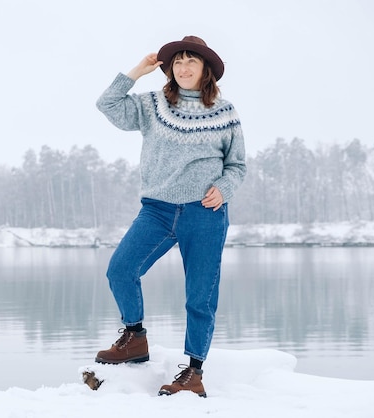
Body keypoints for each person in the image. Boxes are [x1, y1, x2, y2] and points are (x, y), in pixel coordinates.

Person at [94, 35, 246, 397]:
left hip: (204, 215)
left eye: (191, 61)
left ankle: (193, 372)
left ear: (206, 69)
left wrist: (223, 188)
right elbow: (107, 103)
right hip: (158, 211)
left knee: (200, 296)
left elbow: (237, 166)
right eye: (177, 62)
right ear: (169, 68)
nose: (184, 67)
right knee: (121, 269)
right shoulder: (153, 105)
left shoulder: (225, 113)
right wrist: (137, 72)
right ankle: (134, 337)